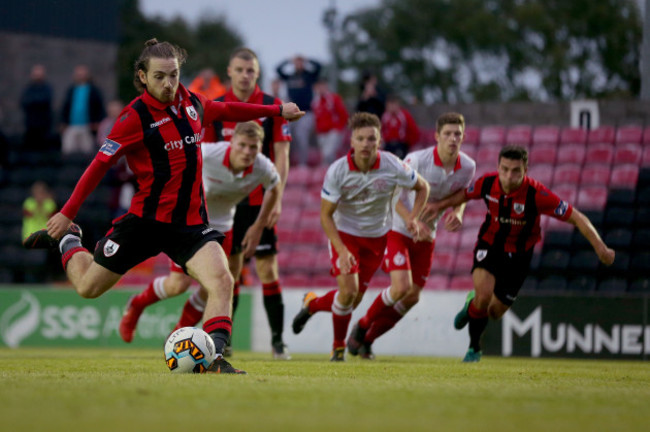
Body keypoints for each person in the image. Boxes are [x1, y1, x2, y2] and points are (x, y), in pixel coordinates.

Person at [23, 38, 304, 374]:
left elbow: (228, 110)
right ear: (142, 76)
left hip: (189, 225)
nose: (169, 83)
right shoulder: (133, 118)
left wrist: (276, 110)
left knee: (223, 280)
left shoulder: (192, 103)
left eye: (174, 74)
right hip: (144, 223)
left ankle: (212, 357)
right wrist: (67, 213)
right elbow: (98, 166)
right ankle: (70, 240)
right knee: (87, 288)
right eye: (160, 76)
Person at [422, 145, 616, 362]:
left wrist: (600, 247)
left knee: (494, 312)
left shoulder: (537, 194)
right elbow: (464, 195)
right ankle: (474, 348)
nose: (508, 176)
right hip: (490, 244)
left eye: (516, 171)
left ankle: (471, 305)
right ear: (498, 167)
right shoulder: (488, 183)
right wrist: (439, 205)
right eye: (504, 169)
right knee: (484, 297)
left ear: (526, 170)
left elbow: (576, 217)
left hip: (520, 255)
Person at [119, 121, 281, 352]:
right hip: (190, 224)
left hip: (224, 227)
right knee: (178, 285)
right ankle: (136, 304)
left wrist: (257, 227)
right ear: (231, 143)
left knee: (215, 286)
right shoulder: (209, 153)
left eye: (253, 147)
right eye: (242, 145)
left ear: (260, 148)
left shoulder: (263, 167)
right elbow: (174, 164)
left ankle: (176, 334)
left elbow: (275, 189)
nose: (247, 152)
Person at [291, 112, 430, 361]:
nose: (366, 143)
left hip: (377, 239)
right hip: (346, 236)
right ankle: (338, 348)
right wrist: (342, 250)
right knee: (347, 292)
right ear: (351, 142)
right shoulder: (337, 171)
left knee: (351, 301)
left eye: (371, 139)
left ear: (379, 141)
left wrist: (413, 217)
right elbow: (326, 216)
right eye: (361, 138)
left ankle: (311, 304)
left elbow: (423, 187)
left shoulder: (393, 165)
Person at [347, 112, 476, 359]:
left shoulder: (468, 166)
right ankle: (362, 325)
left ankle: (368, 342)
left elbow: (462, 196)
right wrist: (411, 219)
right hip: (397, 228)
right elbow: (391, 195)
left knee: (412, 298)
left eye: (457, 134)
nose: (452, 138)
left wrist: (457, 212)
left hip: (427, 236)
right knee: (401, 287)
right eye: (447, 133)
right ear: (437, 136)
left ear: (463, 136)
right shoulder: (417, 160)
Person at [276, 55, 321, 165]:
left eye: (300, 62)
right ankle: (288, 162)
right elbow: (278, 70)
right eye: (296, 62)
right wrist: (289, 61)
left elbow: (319, 67)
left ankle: (302, 163)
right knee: (286, 136)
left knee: (302, 137)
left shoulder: (308, 75)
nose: (298, 64)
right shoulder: (291, 76)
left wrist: (307, 59)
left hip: (306, 112)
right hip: (292, 112)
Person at [60, 64, 106, 155]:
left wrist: (97, 122)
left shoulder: (94, 90)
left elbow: (99, 107)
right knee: (68, 150)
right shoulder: (71, 90)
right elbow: (65, 107)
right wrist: (63, 122)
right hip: (71, 126)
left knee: (87, 150)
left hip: (87, 126)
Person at [311, 77, 349, 164]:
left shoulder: (334, 98)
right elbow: (316, 118)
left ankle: (329, 172)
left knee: (328, 153)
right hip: (322, 133)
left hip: (333, 131)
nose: (320, 89)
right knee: (326, 156)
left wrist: (340, 128)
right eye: (318, 86)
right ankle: (329, 173)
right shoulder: (315, 102)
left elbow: (343, 114)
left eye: (322, 86)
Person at [20, 64, 54, 151]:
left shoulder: (47, 88)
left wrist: (34, 102)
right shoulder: (28, 89)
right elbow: (24, 102)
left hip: (44, 125)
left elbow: (46, 101)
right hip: (31, 125)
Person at [381, 94, 420, 159]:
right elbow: (380, 131)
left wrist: (409, 145)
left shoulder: (404, 115)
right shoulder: (384, 116)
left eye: (394, 104)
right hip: (388, 145)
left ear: (398, 104)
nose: (392, 107)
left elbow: (413, 130)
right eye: (390, 105)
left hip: (401, 145)